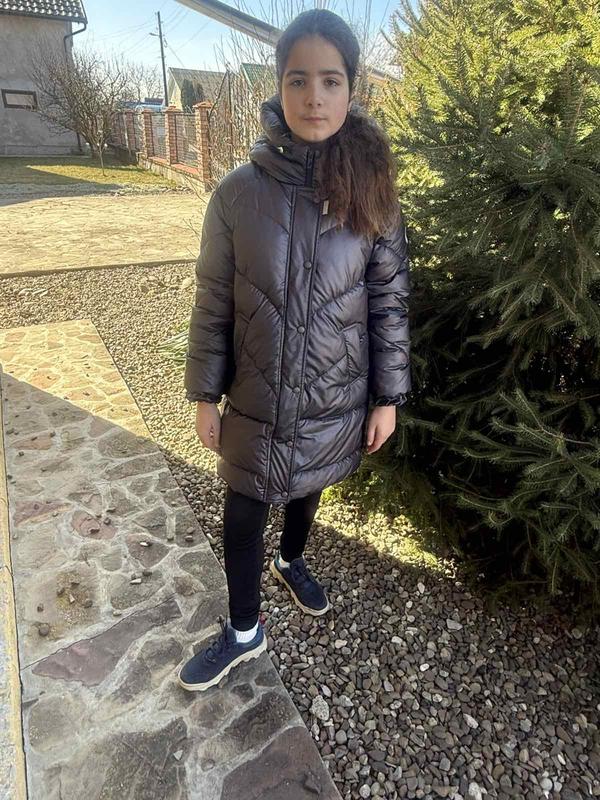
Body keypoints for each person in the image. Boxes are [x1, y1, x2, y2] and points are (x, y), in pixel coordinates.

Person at [177, 8, 411, 692]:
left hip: (336, 390)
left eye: (330, 80)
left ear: (351, 89)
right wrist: (204, 394)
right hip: (255, 392)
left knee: (310, 482)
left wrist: (388, 397)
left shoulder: (374, 194)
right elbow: (213, 299)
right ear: (278, 87)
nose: (314, 97)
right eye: (298, 79)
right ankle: (243, 630)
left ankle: (292, 560)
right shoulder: (236, 194)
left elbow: (389, 302)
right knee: (244, 504)